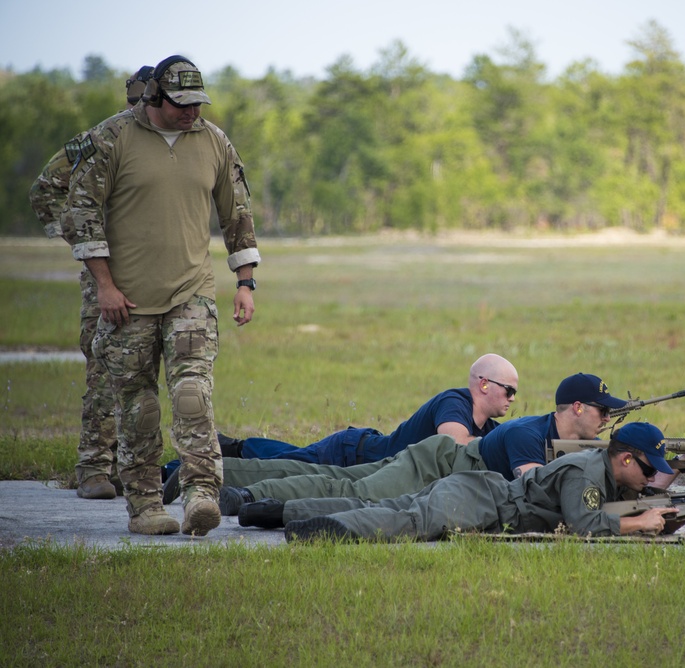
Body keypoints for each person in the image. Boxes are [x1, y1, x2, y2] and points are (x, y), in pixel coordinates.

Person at [60, 55, 261, 536]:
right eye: (181, 105)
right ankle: (146, 504)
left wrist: (246, 282)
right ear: (155, 98)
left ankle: (201, 496)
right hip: (125, 300)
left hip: (191, 292)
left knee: (193, 395)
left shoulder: (213, 141)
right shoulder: (112, 139)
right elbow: (80, 213)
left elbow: (237, 214)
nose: (191, 112)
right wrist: (104, 287)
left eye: (198, 103)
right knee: (139, 406)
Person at [231, 373, 685, 525]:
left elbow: (625, 484)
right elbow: (539, 491)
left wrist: (679, 469)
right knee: (347, 487)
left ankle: (250, 496)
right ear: (576, 409)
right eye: (603, 414)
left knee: (356, 493)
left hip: (450, 475)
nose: (607, 423)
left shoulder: (571, 446)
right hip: (438, 465)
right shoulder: (526, 438)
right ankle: (236, 486)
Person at [28, 67, 153, 500]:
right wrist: (85, 241)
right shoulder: (103, 138)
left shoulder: (175, 141)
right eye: (137, 102)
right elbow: (45, 189)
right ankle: (94, 468)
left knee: (142, 374)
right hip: (106, 273)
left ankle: (125, 466)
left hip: (154, 273)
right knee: (104, 368)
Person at [281, 422, 685, 542]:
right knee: (409, 521)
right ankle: (328, 531)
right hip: (483, 501)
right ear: (626, 459)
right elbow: (584, 524)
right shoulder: (588, 471)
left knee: (401, 510)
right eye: (648, 469)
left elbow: (635, 500)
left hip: (483, 499)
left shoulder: (605, 468)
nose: (651, 478)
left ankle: (284, 513)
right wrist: (641, 524)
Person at [161, 353, 517, 498]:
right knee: (285, 466)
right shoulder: (455, 402)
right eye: (509, 390)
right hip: (353, 454)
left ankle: (222, 452)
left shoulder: (484, 429)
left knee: (289, 461)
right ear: (483, 384)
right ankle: (184, 466)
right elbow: (452, 443)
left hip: (364, 461)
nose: (512, 399)